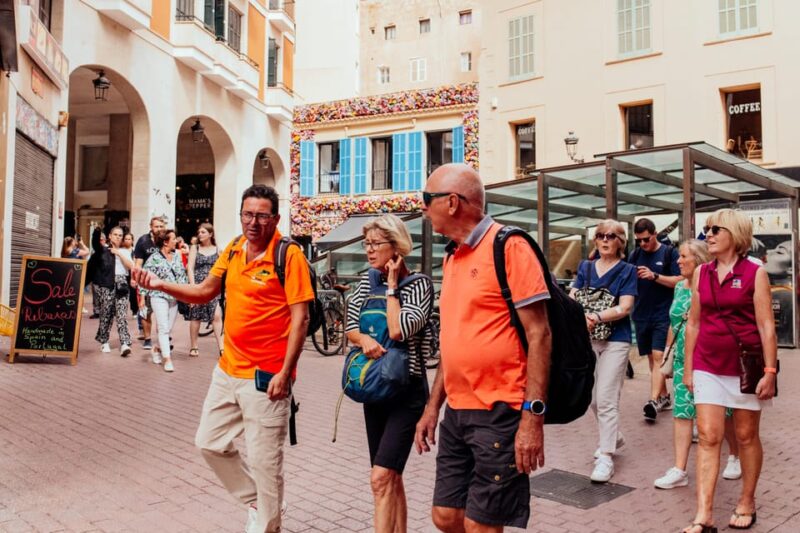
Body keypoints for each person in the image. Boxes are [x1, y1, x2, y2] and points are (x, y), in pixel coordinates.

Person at [132, 185, 313, 533]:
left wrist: (285, 372)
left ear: (275, 218)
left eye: (262, 215)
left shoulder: (288, 255)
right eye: (248, 214)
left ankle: (267, 521)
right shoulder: (232, 249)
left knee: (265, 463)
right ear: (240, 215)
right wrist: (160, 285)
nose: (254, 222)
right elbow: (203, 292)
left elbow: (300, 319)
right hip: (228, 370)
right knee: (209, 443)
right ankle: (259, 501)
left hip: (266, 378)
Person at [414, 164, 551, 531]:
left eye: (427, 200)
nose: (423, 209)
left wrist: (531, 418)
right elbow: (454, 342)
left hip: (500, 410)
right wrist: (432, 408)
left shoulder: (509, 247)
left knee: (482, 525)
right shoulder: (452, 256)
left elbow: (540, 334)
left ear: (453, 202)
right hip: (458, 411)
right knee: (446, 517)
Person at [682, 209, 778, 533]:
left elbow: (766, 326)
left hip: (744, 367)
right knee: (709, 436)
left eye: (714, 229)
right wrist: (689, 368)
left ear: (734, 235)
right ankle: (703, 515)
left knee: (746, 435)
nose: (707, 235)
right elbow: (693, 323)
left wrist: (770, 371)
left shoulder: (755, 272)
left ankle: (747, 500)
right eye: (706, 230)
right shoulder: (701, 273)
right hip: (708, 364)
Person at [345, 214, 435, 533]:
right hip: (376, 391)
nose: (369, 251)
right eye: (366, 244)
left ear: (396, 246)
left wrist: (393, 287)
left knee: (380, 478)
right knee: (389, 478)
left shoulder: (420, 285)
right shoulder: (363, 283)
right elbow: (350, 328)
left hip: (407, 394)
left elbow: (398, 330)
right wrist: (364, 339)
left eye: (375, 244)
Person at [653, 239, 740, 490]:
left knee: (725, 414)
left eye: (683, 257)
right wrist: (667, 358)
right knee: (681, 414)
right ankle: (679, 469)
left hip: (710, 359)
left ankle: (734, 456)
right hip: (682, 359)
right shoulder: (680, 286)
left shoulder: (714, 286)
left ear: (699, 260)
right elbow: (674, 322)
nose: (678, 261)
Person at [569, 220, 637, 483]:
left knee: (607, 398)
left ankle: (605, 456)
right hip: (588, 339)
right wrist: (579, 314)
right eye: (600, 235)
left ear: (620, 241)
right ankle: (615, 436)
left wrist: (595, 316)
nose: (605, 240)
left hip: (616, 340)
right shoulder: (586, 267)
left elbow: (626, 307)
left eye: (611, 235)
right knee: (594, 400)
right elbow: (573, 294)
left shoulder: (628, 270)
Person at [628, 218, 682, 422]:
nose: (643, 244)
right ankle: (664, 397)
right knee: (652, 359)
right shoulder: (635, 255)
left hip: (663, 314)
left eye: (646, 239)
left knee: (659, 356)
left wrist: (655, 276)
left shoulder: (669, 253)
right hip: (641, 314)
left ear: (655, 233)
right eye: (639, 241)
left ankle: (652, 401)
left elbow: (681, 280)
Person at [141, 229, 187, 372]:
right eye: (173, 239)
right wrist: (142, 298)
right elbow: (144, 279)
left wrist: (186, 294)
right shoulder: (153, 258)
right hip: (158, 295)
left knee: (168, 329)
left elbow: (181, 277)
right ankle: (167, 359)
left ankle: (157, 348)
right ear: (166, 242)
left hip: (173, 296)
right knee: (163, 327)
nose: (176, 241)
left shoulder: (177, 256)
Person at [87, 228, 133, 356]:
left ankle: (124, 343)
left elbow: (131, 267)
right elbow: (95, 243)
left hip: (122, 284)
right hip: (106, 284)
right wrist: (96, 232)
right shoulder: (103, 250)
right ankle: (104, 341)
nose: (118, 237)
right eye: (115, 235)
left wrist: (119, 253)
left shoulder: (125, 251)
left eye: (120, 235)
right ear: (110, 236)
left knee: (122, 315)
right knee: (106, 313)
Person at [187, 223, 223, 357]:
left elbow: (224, 269)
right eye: (199, 232)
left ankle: (221, 346)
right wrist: (192, 286)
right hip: (198, 285)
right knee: (195, 316)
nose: (200, 234)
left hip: (213, 286)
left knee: (216, 315)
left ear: (210, 234)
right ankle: (194, 346)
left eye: (203, 232)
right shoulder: (194, 248)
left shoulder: (218, 249)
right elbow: (190, 267)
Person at [134, 216, 166, 349]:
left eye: (161, 226)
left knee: (163, 312)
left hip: (164, 282)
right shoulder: (143, 241)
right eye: (156, 226)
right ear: (151, 227)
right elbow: (138, 263)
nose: (159, 229)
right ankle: (147, 338)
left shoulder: (166, 239)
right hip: (147, 282)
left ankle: (163, 337)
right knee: (146, 311)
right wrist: (136, 278)